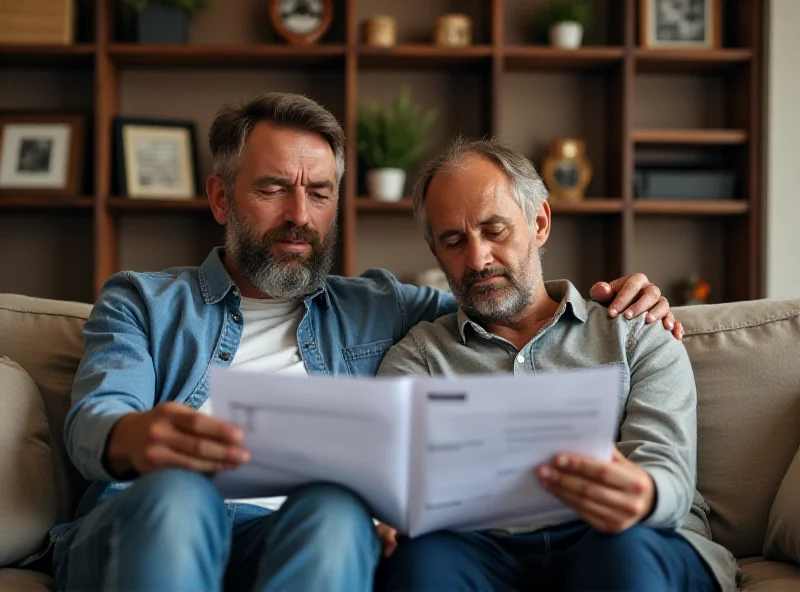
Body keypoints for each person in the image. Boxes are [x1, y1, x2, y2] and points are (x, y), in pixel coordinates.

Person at [46, 93, 680, 592]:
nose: (299, 213)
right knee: (181, 495)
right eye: (272, 189)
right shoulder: (143, 300)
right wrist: (136, 437)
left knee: (333, 511)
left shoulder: (381, 305)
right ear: (220, 198)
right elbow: (93, 420)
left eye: (319, 193)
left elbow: (499, 299)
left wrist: (617, 301)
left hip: (292, 534)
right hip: (148, 518)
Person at [374, 137, 738, 592]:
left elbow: (667, 467)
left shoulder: (636, 332)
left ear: (540, 222)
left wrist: (642, 494)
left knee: (621, 553)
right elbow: (387, 472)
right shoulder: (419, 359)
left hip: (623, 537)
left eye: (495, 229)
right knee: (421, 563)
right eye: (454, 240)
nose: (478, 258)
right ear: (435, 252)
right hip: (480, 548)